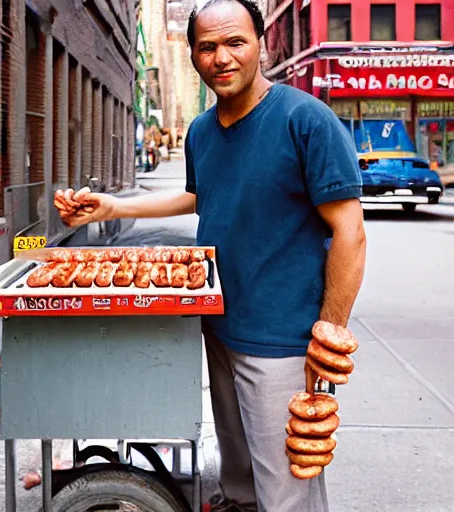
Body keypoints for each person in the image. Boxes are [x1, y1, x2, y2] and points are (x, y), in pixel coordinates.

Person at [54, 1, 366, 510]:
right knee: (238, 474)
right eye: (207, 47)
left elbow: (350, 231)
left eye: (235, 43)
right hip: (219, 326)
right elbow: (201, 195)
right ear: (195, 56)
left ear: (261, 44)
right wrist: (109, 206)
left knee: (286, 491)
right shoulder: (201, 130)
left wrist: (326, 339)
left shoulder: (305, 119)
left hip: (283, 341)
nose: (222, 57)